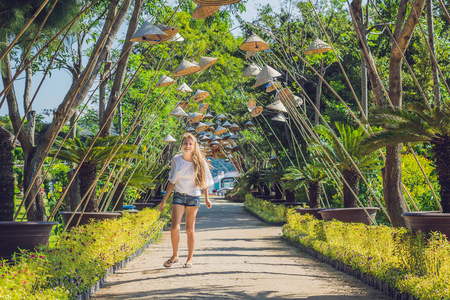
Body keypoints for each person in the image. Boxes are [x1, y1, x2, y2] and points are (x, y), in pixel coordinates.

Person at [159, 133, 214, 268]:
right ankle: (175, 255)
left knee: (189, 229)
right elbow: (172, 181)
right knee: (174, 228)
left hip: (193, 197)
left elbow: (204, 182)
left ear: (194, 146)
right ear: (182, 145)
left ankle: (190, 259)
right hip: (178, 195)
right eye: (185, 143)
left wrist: (206, 199)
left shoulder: (200, 161)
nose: (187, 146)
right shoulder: (176, 160)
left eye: (190, 144)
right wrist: (164, 200)